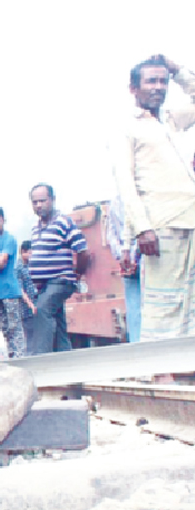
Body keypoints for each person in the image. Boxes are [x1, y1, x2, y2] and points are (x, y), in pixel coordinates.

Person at [111, 54, 195, 342]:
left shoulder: (172, 121)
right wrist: (141, 230)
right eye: (151, 81)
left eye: (162, 81)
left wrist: (178, 71)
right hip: (161, 225)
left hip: (191, 219)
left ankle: (187, 369)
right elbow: (126, 185)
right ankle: (160, 372)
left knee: (191, 302)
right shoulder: (127, 128)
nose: (158, 86)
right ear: (133, 88)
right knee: (163, 304)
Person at [27, 184, 89, 354]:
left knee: (42, 310)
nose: (38, 205)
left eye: (42, 200)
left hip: (61, 280)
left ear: (52, 200)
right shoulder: (35, 227)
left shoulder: (63, 222)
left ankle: (42, 360)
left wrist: (77, 274)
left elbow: (83, 251)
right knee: (58, 322)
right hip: (45, 285)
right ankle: (67, 366)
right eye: (35, 202)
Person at [0, 206, 27, 358]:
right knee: (4, 327)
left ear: (4, 220)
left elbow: (1, 263)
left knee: (14, 326)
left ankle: (20, 356)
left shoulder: (9, 239)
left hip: (10, 291)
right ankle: (11, 355)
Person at [106, 195, 141, 343]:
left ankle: (138, 343)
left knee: (134, 307)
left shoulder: (115, 202)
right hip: (143, 258)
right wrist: (132, 256)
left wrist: (122, 256)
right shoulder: (142, 196)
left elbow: (111, 235)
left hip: (127, 260)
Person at [17, 240, 38, 341]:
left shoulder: (32, 265)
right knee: (30, 338)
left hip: (36, 305)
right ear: (23, 252)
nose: (31, 255)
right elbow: (20, 290)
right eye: (29, 253)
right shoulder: (18, 268)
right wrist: (31, 305)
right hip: (26, 309)